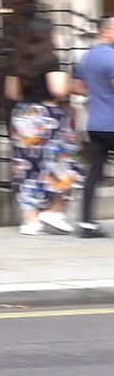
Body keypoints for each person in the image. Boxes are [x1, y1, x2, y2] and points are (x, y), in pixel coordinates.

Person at [2, 10, 80, 235]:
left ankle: (30, 220)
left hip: (25, 115)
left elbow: (12, 92)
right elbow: (59, 89)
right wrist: (69, 86)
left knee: (27, 167)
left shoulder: (16, 61)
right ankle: (54, 210)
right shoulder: (50, 59)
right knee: (61, 161)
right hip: (48, 115)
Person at [73, 16, 114, 234]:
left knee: (94, 173)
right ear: (107, 31)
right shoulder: (111, 57)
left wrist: (98, 94)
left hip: (95, 122)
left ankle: (86, 222)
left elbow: (77, 87)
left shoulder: (86, 57)